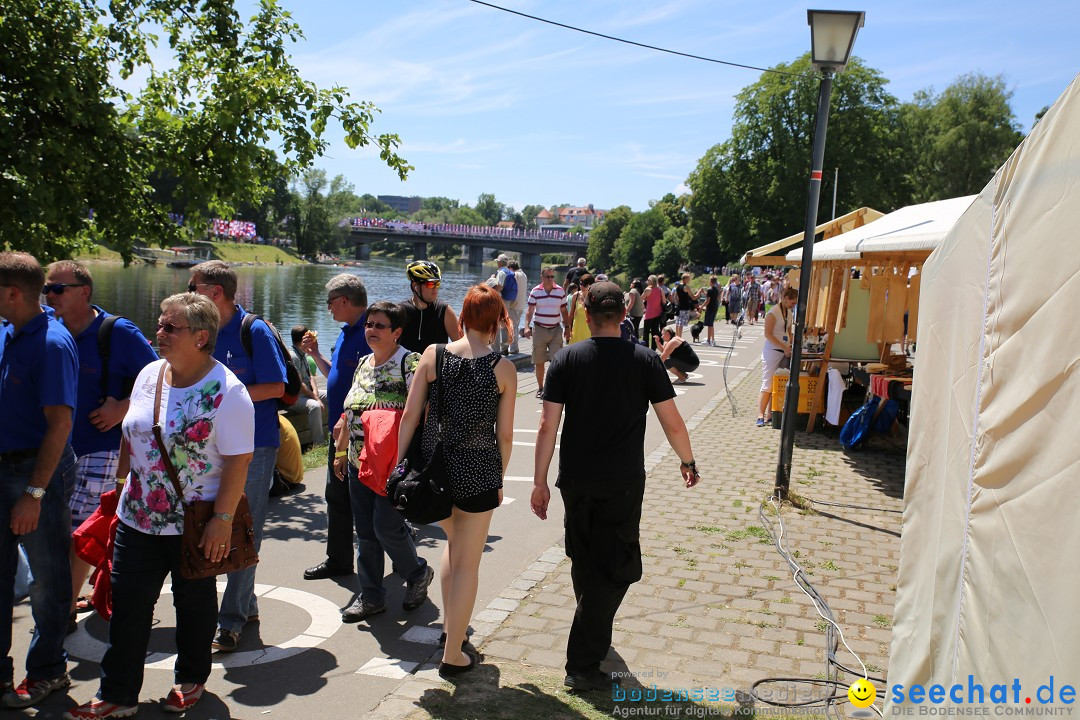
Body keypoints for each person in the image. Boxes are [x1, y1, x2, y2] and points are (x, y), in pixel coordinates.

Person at [64, 292, 254, 719]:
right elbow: (133, 435)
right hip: (136, 516)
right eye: (160, 323)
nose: (159, 331)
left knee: (193, 605)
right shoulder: (149, 373)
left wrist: (222, 521)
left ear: (201, 337)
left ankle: (190, 679)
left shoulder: (229, 392)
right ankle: (117, 694)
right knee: (127, 606)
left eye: (171, 327)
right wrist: (118, 488)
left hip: (195, 522)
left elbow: (239, 460)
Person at [529, 281, 701, 691]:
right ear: (624, 315)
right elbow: (672, 421)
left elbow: (546, 426)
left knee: (585, 556)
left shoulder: (566, 359)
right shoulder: (644, 360)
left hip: (575, 478)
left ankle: (591, 628)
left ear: (586, 317)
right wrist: (688, 460)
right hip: (622, 480)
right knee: (617, 565)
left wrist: (539, 482)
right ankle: (583, 663)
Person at [398, 284, 517, 677]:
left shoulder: (433, 355)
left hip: (436, 470)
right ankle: (453, 652)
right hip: (479, 471)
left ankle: (451, 629)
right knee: (468, 561)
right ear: (498, 322)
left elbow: (410, 416)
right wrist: (499, 475)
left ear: (461, 318)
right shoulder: (503, 368)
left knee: (451, 546)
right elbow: (505, 435)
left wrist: (399, 465)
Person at [43, 260, 159, 628]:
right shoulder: (51, 331)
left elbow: (159, 380)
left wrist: (122, 407)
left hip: (104, 445)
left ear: (84, 292)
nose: (49, 295)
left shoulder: (116, 332)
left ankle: (62, 609)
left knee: (80, 526)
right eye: (46, 289)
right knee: (59, 527)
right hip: (58, 447)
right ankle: (86, 587)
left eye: (57, 289)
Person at [188, 260, 288, 653]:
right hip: (211, 445)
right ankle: (246, 605)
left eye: (193, 286)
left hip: (255, 445)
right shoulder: (203, 331)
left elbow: (276, 386)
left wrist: (226, 394)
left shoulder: (254, 330)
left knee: (242, 528)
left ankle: (229, 621)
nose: (188, 292)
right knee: (216, 523)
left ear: (215, 293)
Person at [0, 252, 78, 710]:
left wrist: (34, 493)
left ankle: (49, 670)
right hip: (3, 465)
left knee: (47, 578)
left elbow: (59, 425)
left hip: (34, 473)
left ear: (12, 293)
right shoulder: (8, 331)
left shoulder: (51, 343)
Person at [333, 302, 433, 623]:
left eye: (379, 325)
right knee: (364, 532)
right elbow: (351, 412)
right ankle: (372, 595)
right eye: (369, 324)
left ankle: (417, 573)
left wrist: (416, 460)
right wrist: (339, 450)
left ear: (397, 332)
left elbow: (425, 413)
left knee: (385, 526)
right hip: (359, 462)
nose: (371, 330)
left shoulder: (410, 363)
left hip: (394, 465)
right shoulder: (362, 363)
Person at [299, 274, 370, 580]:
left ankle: (410, 564)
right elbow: (336, 375)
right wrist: (315, 355)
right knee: (337, 496)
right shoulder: (346, 332)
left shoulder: (371, 330)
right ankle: (339, 560)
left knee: (370, 503)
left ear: (343, 300)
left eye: (330, 303)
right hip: (340, 429)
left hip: (362, 432)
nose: (328, 309)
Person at [522, 267, 569, 400]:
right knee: (539, 361)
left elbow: (564, 311)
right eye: (548, 277)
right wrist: (526, 327)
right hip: (539, 328)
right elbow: (530, 311)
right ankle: (540, 388)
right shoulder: (535, 291)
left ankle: (552, 387)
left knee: (556, 360)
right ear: (542, 277)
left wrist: (567, 327)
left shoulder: (560, 291)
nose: (550, 279)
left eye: (552, 277)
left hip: (555, 329)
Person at [400, 260, 461, 354]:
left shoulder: (444, 311)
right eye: (430, 284)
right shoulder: (401, 311)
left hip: (436, 367)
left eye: (437, 284)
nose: (435, 289)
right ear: (415, 286)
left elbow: (461, 346)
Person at [757, 287, 798, 427]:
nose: (793, 305)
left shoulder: (789, 312)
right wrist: (784, 347)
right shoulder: (773, 312)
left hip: (785, 351)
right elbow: (768, 334)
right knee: (768, 383)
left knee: (779, 384)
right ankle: (760, 415)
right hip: (773, 351)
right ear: (785, 298)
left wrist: (791, 345)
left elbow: (789, 331)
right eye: (792, 303)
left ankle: (771, 413)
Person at [288, 325, 325, 448]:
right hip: (296, 397)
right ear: (304, 339)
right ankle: (319, 443)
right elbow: (299, 385)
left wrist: (315, 393)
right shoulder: (293, 356)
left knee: (331, 394)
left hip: (308, 392)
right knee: (315, 407)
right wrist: (316, 398)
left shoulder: (303, 353)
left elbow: (310, 377)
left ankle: (335, 432)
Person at [491, 254, 518, 356]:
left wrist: (491, 290)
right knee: (504, 324)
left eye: (497, 261)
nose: (497, 263)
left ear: (500, 262)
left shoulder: (501, 272)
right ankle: (505, 347)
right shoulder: (509, 271)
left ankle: (496, 350)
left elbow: (500, 287)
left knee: (495, 324)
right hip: (507, 300)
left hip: (499, 300)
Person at [506, 260, 528, 354]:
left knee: (512, 326)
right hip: (521, 304)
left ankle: (514, 348)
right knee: (516, 325)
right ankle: (514, 346)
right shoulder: (523, 274)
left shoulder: (515, 275)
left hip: (514, 304)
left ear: (511, 268)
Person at [567, 274, 595, 345]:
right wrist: (568, 329)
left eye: (584, 285)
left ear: (590, 286)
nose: (581, 286)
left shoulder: (594, 297)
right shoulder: (576, 295)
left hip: (589, 332)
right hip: (576, 331)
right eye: (580, 284)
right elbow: (571, 314)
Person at [641, 275, 664, 351]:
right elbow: (664, 301)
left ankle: (646, 348)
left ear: (651, 281)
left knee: (646, 333)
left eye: (648, 280)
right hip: (658, 313)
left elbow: (641, 299)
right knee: (655, 331)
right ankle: (654, 348)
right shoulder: (660, 290)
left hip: (649, 314)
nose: (647, 281)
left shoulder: (648, 290)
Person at [674, 273, 695, 338]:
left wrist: (678, 303)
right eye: (688, 279)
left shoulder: (678, 286)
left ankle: (677, 336)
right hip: (685, 306)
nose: (689, 280)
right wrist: (699, 292)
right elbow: (693, 297)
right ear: (685, 279)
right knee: (681, 323)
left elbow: (675, 297)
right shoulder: (686, 287)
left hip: (679, 306)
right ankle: (680, 337)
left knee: (678, 322)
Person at [701, 276, 720, 346]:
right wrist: (704, 293)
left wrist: (701, 307)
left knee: (709, 324)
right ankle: (713, 340)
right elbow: (710, 296)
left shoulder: (710, 290)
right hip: (715, 307)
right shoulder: (716, 290)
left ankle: (708, 340)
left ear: (711, 282)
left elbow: (707, 300)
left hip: (710, 308)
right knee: (711, 324)